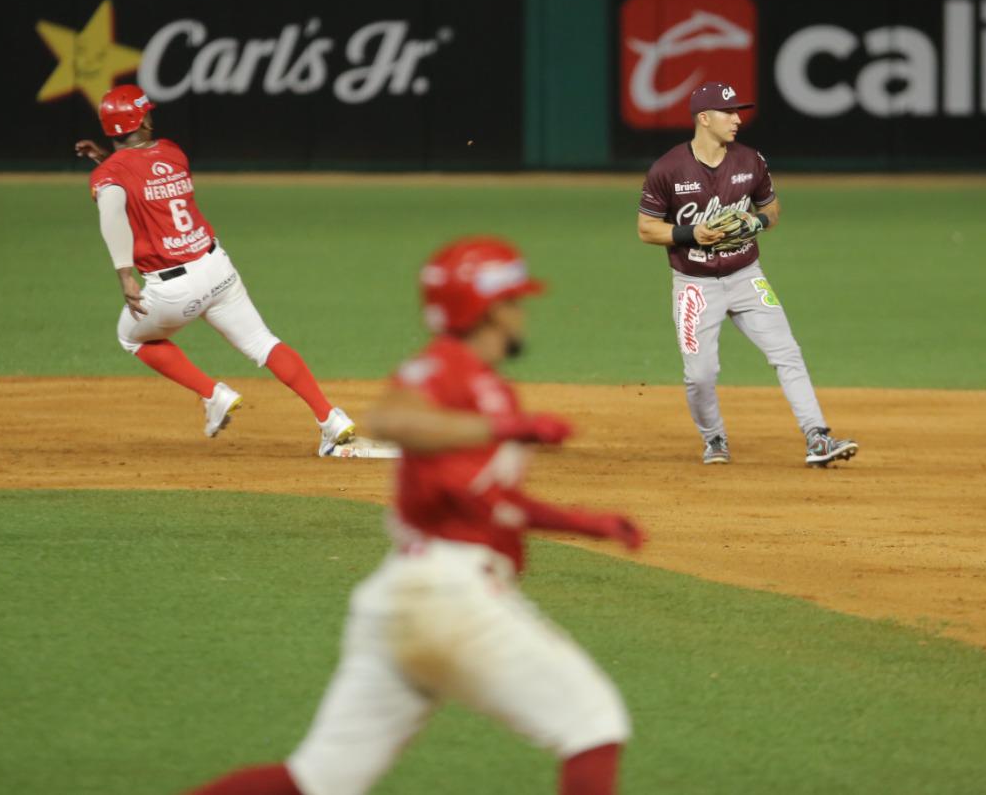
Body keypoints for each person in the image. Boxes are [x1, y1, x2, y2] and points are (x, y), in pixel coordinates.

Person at [187, 236, 645, 795]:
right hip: (450, 595)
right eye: (516, 302)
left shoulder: (488, 385)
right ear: (492, 309)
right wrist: (502, 430)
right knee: (594, 723)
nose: (523, 313)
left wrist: (586, 524)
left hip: (404, 599)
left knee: (319, 779)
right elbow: (391, 420)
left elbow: (491, 501)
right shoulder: (442, 368)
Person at [76, 85, 364, 457]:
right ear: (141, 119)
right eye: (147, 112)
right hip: (218, 268)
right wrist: (106, 162)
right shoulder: (173, 152)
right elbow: (145, 180)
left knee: (131, 337)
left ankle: (213, 393)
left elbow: (114, 214)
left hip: (173, 289)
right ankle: (330, 418)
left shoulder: (111, 175)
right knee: (264, 343)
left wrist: (124, 274)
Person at [637, 81, 858, 468]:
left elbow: (772, 211)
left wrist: (754, 223)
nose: (737, 119)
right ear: (704, 119)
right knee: (700, 375)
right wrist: (692, 233)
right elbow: (646, 228)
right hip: (695, 286)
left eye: (738, 111)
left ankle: (817, 437)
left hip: (746, 276)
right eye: (728, 112)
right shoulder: (668, 169)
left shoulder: (750, 161)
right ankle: (714, 438)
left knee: (787, 352)